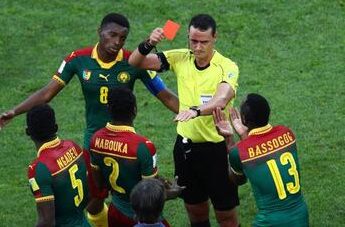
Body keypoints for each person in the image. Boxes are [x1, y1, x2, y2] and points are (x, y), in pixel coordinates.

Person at [0, 12, 179, 150]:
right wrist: (15, 110)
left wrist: (196, 113)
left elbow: (167, 97)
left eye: (122, 38)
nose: (117, 42)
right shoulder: (77, 59)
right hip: (93, 141)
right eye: (112, 35)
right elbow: (46, 93)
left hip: (123, 143)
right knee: (93, 197)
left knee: (125, 196)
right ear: (100, 32)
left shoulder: (134, 62)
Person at [129, 14, 240, 227]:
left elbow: (222, 99)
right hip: (186, 150)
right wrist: (149, 43)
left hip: (218, 149)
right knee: (196, 212)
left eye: (204, 42)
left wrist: (195, 111)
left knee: (226, 216)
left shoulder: (227, 66)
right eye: (193, 41)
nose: (197, 47)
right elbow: (135, 62)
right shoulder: (180, 57)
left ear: (215, 38)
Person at [89, 87, 182, 227]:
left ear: (108, 109)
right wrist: (172, 193)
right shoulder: (143, 146)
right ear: (134, 111)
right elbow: (150, 198)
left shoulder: (95, 139)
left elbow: (100, 184)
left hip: (115, 212)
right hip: (142, 218)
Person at [213, 93, 309, 227]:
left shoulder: (239, 152)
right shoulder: (287, 133)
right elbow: (262, 153)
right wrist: (242, 133)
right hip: (301, 216)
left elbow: (238, 180)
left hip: (270, 221)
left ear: (244, 119)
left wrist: (229, 140)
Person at [26, 104, 94, 226]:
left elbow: (47, 222)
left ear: (28, 132)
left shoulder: (38, 168)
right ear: (56, 127)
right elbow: (89, 194)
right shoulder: (74, 147)